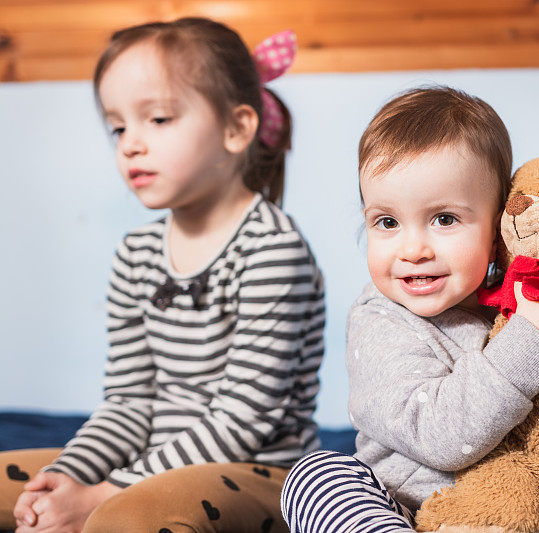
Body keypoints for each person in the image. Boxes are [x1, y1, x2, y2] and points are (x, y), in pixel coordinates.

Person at [280, 87, 539, 533]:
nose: (413, 249)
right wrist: (536, 338)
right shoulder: (380, 317)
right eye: (387, 222)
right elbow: (441, 437)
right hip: (413, 510)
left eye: (444, 219)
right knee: (316, 477)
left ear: (500, 222)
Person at [0, 17, 324, 533]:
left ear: (236, 128)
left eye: (157, 119)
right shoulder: (136, 253)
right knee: (27, 489)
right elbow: (128, 401)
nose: (129, 144)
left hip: (260, 471)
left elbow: (244, 417)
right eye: (118, 127)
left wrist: (105, 493)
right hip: (150, 464)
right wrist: (67, 478)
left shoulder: (273, 247)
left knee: (125, 516)